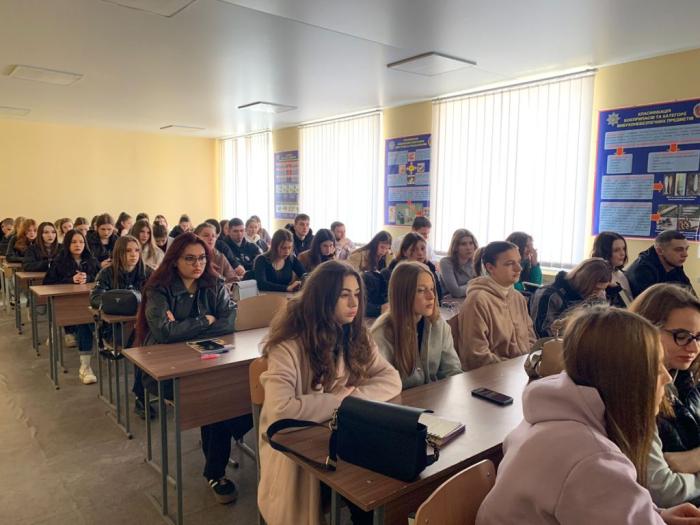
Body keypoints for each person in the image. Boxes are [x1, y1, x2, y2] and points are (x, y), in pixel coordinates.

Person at [475, 307, 700, 525]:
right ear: (626, 377)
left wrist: (657, 514)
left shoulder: (552, 415)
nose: (666, 378)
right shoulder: (592, 459)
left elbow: (593, 504)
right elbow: (595, 484)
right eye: (656, 367)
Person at [258, 260, 402, 525]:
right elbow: (281, 410)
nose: (354, 303)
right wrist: (337, 401)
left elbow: (391, 378)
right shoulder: (289, 345)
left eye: (357, 294)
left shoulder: (355, 334)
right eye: (344, 295)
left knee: (378, 487)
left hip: (339, 435)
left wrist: (352, 401)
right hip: (296, 446)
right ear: (323, 298)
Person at [134, 232, 252, 504]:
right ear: (174, 260)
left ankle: (220, 434)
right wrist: (206, 320)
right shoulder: (157, 289)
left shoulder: (214, 283)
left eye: (202, 258)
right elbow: (164, 332)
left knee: (244, 394)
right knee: (219, 404)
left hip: (211, 361)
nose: (197, 264)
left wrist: (184, 327)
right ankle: (215, 471)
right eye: (189, 259)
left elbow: (229, 321)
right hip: (166, 370)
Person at [630, 284, 700, 507]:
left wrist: (693, 459)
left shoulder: (685, 378)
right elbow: (664, 491)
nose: (694, 348)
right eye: (682, 336)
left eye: (698, 337)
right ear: (646, 330)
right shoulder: (633, 391)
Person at [371, 261, 462, 389]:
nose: (431, 296)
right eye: (421, 290)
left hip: (434, 398)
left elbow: (452, 370)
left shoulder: (438, 324)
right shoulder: (382, 333)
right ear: (403, 294)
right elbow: (381, 387)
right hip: (401, 401)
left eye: (432, 289)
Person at [90, 236, 152, 417]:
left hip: (144, 326)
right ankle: (141, 395)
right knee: (142, 346)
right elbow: (95, 298)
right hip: (115, 329)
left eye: (137, 250)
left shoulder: (147, 271)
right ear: (119, 253)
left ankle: (160, 388)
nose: (133, 255)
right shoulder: (107, 273)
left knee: (153, 342)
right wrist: (124, 304)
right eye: (128, 251)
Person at [456, 241, 536, 370]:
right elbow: (476, 355)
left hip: (522, 371)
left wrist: (532, 364)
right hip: (492, 375)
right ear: (490, 268)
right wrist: (514, 369)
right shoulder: (478, 300)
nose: (519, 268)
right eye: (509, 264)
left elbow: (530, 339)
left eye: (518, 262)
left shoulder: (518, 298)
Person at [43, 230, 100, 384]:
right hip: (69, 305)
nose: (78, 245)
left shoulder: (91, 260)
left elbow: (101, 278)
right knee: (83, 321)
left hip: (91, 302)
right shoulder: (59, 261)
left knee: (88, 320)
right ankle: (85, 366)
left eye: (81, 242)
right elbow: (48, 283)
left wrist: (88, 278)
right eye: (74, 242)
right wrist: (70, 280)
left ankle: (97, 350)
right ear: (67, 244)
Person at [529, 258, 612, 338]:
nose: (599, 294)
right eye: (596, 289)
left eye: (603, 289)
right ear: (584, 282)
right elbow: (542, 336)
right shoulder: (549, 296)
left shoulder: (596, 296)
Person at [627, 230, 694, 298]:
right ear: (659, 251)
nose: (685, 254)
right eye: (678, 249)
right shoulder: (642, 271)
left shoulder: (674, 264)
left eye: (686, 249)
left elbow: (690, 295)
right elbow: (652, 303)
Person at [381, 233, 443, 303]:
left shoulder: (429, 269)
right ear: (404, 252)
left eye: (423, 249)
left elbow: (438, 297)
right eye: (414, 250)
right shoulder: (390, 273)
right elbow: (391, 301)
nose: (420, 253)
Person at [592, 231, 632, 303]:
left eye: (623, 248)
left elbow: (629, 302)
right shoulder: (597, 277)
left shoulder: (620, 274)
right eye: (616, 250)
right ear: (605, 252)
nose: (622, 253)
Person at [439, 228, 478, 298]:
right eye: (463, 244)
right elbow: (456, 292)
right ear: (455, 247)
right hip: (449, 302)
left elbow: (484, 285)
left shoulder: (475, 262)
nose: (468, 248)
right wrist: (477, 284)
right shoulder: (446, 262)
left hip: (470, 298)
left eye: (471, 243)